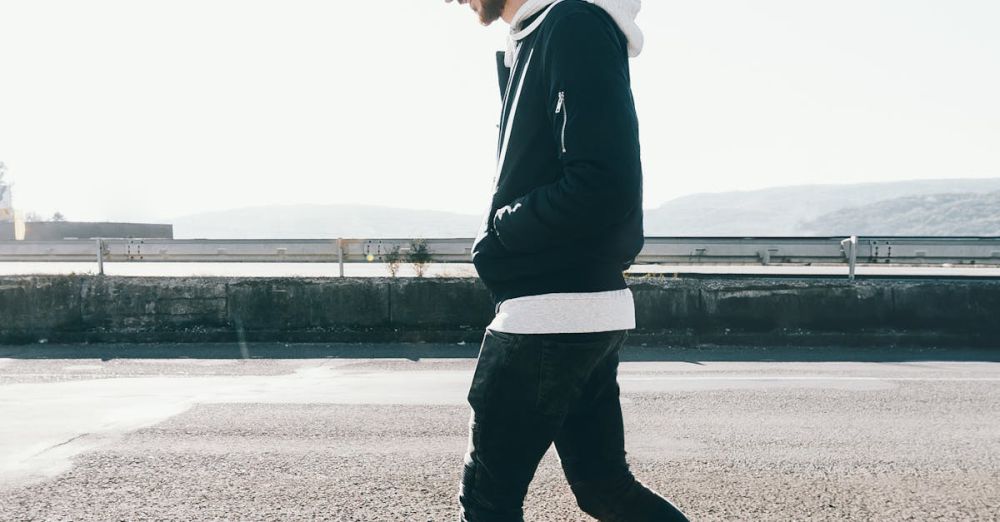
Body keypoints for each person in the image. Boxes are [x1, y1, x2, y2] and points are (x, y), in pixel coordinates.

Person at [446, 0, 690, 520]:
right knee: (605, 488)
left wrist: (503, 227)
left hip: (547, 312)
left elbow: (604, 183)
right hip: (579, 306)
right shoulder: (541, 33)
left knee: (488, 506)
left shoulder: (573, 25)